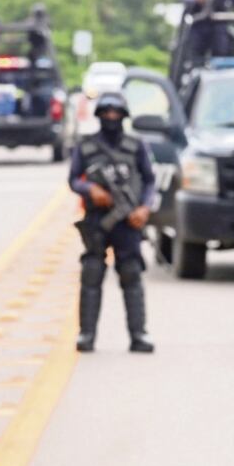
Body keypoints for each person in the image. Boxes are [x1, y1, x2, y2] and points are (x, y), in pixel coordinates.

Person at [69, 92, 156, 353]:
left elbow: (149, 180)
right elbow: (73, 179)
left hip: (127, 221)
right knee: (92, 271)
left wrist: (144, 208)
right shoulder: (86, 146)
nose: (111, 117)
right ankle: (87, 334)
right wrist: (90, 189)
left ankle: (138, 334)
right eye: (106, 112)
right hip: (97, 219)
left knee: (131, 273)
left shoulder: (136, 145)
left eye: (116, 113)